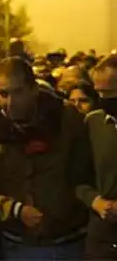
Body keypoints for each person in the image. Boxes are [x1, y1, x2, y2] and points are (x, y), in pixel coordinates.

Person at [0, 57, 89, 259]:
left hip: (71, 237)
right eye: (4, 94)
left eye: (18, 92)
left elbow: (85, 170)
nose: (11, 102)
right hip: (19, 242)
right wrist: (15, 209)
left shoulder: (66, 117)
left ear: (34, 89)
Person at [77, 54, 117, 258]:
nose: (102, 100)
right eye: (98, 92)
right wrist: (95, 201)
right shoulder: (93, 123)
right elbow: (78, 175)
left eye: (109, 93)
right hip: (102, 237)